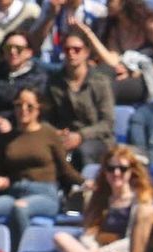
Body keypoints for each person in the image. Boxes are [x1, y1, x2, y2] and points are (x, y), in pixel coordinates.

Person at [0, 87, 81, 248]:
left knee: (20, 208)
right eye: (19, 105)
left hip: (44, 193)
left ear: (39, 109)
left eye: (29, 106)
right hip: (14, 193)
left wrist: (85, 182)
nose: (23, 110)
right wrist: (0, 180)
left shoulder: (48, 134)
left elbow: (65, 170)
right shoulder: (6, 139)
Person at [53, 146, 153, 252]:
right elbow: (88, 234)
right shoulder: (97, 199)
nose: (116, 173)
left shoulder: (141, 202)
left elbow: (135, 242)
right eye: (111, 168)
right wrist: (93, 251)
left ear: (131, 171)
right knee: (61, 239)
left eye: (122, 168)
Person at [70, 0, 153, 107]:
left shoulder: (152, 28)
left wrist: (140, 72)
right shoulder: (115, 29)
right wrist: (89, 34)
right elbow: (113, 61)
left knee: (106, 88)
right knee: (90, 76)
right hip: (123, 73)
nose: (106, 3)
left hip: (147, 79)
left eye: (111, 1)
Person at [44, 29, 117, 169]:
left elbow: (107, 123)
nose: (71, 53)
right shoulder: (54, 83)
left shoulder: (100, 82)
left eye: (76, 49)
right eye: (67, 49)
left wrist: (80, 136)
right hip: (65, 138)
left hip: (96, 139)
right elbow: (48, 117)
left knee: (83, 152)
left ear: (86, 52)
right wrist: (56, 132)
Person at [0, 30, 45, 141]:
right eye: (8, 48)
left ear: (29, 52)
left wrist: (8, 122)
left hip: (23, 133)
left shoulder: (38, 79)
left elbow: (35, 111)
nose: (12, 51)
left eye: (19, 49)